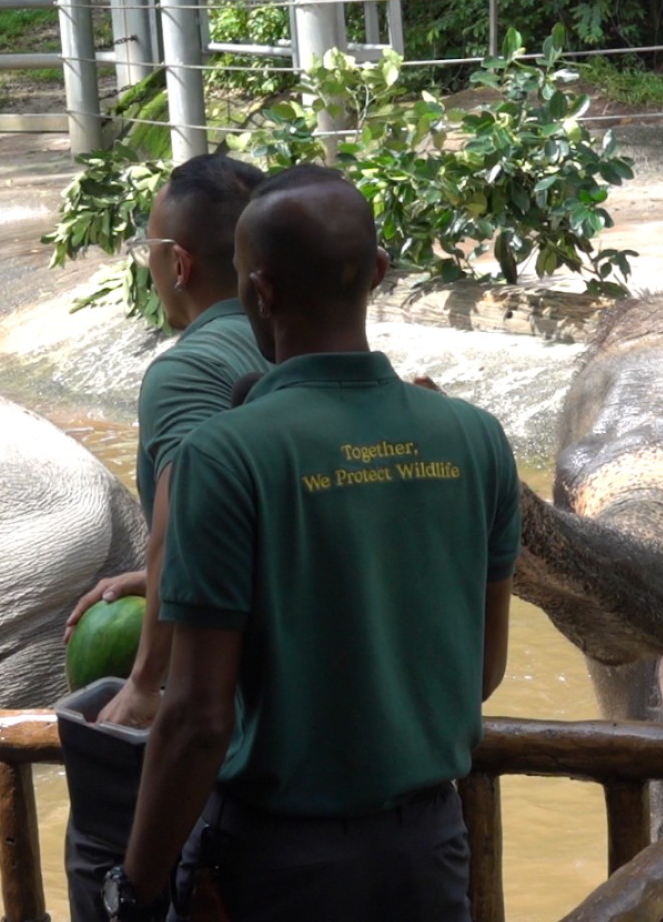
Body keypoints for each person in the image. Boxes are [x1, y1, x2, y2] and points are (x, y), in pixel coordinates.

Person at [101, 165, 519, 922]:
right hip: (430, 852)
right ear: (380, 274)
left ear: (257, 291)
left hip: (275, 864)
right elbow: (482, 669)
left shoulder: (222, 457)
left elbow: (197, 720)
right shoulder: (475, 438)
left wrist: (135, 887)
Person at [64, 152, 270, 728]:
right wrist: (159, 581)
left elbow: (188, 516)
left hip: (244, 708)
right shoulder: (300, 342)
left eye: (148, 250)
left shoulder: (186, 372)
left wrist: (145, 682)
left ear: (178, 265)